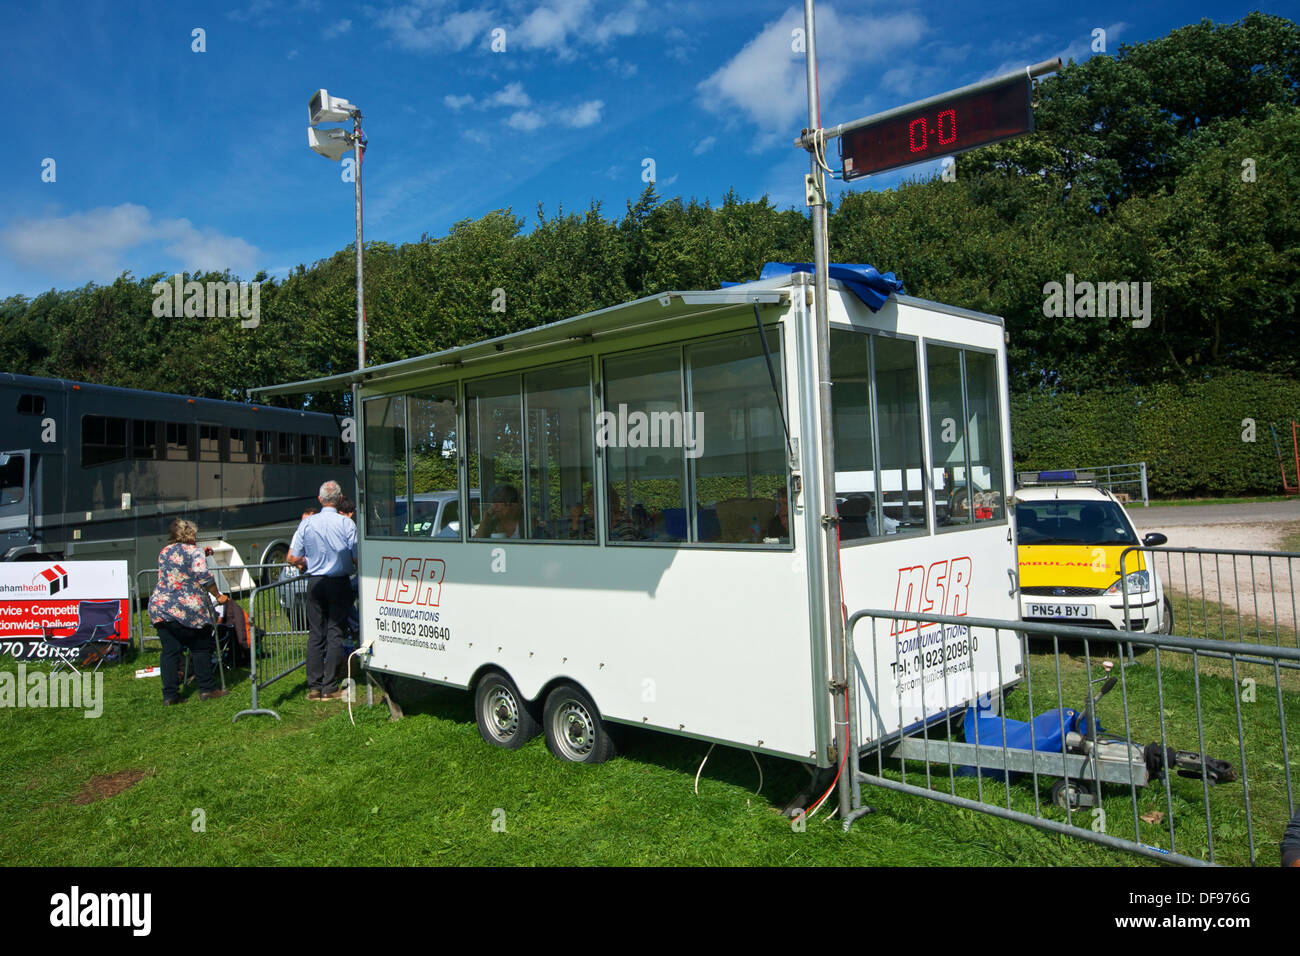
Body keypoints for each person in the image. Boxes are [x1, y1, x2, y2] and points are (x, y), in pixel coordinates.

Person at [148, 518, 230, 705]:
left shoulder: (165, 551)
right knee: (201, 646)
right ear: (191, 534)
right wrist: (218, 595)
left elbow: (180, 562)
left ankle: (170, 695)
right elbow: (204, 577)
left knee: (170, 652)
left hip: (160, 606)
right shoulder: (194, 552)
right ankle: (207, 689)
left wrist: (202, 551)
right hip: (187, 607)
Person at [289, 480, 358, 701]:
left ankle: (314, 687)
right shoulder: (347, 524)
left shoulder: (307, 523)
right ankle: (330, 686)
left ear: (319, 500)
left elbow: (292, 557)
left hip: (315, 581)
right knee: (335, 632)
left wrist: (309, 562)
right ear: (339, 500)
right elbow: (356, 557)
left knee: (315, 634)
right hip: (338, 581)